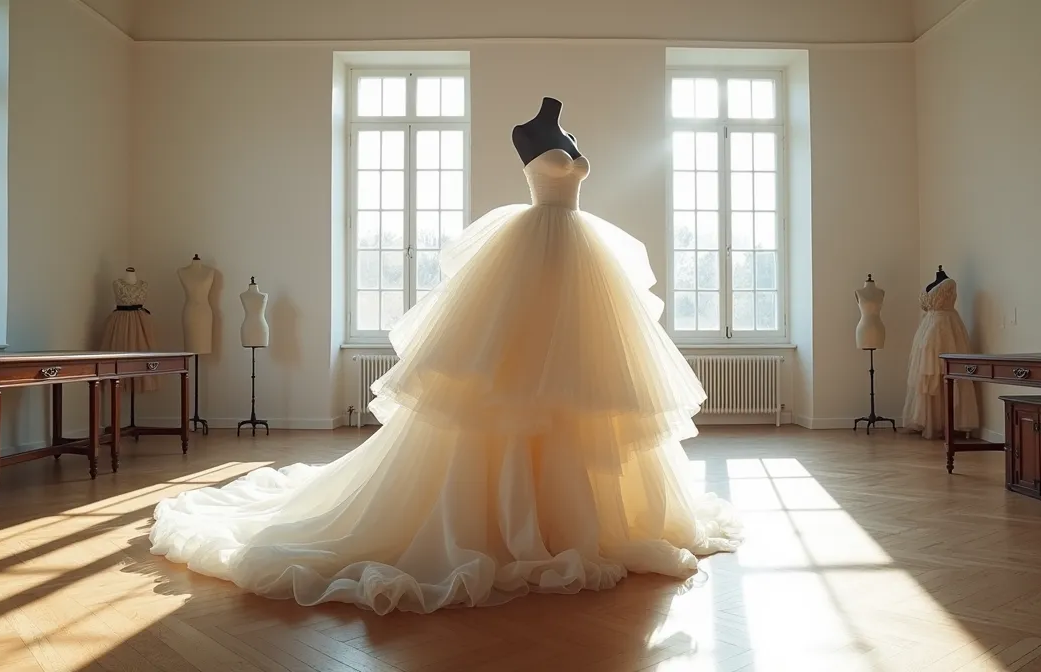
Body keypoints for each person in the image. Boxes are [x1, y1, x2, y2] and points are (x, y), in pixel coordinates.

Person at [148, 97, 743, 614]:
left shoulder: (566, 137)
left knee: (585, 393)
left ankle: (592, 520)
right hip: (531, 260)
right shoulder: (527, 133)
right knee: (507, 388)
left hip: (579, 264)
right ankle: (508, 522)